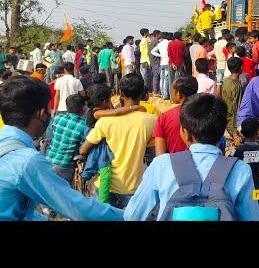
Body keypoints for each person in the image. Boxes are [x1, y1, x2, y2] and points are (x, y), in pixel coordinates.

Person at [0, 76, 122, 221]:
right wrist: (128, 215)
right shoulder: (28, 161)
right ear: (41, 114)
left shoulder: (7, 142)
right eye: (48, 109)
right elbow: (76, 208)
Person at [123, 93, 259, 221]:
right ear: (222, 132)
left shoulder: (161, 165)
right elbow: (251, 217)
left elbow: (132, 215)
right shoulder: (241, 169)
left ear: (184, 132)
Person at [80, 73, 157, 208]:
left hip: (104, 184)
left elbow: (84, 149)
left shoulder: (105, 121)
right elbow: (152, 146)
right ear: (143, 93)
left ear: (121, 94)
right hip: (133, 186)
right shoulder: (151, 121)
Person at [46, 94, 88, 184]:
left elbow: (49, 136)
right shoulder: (83, 126)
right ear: (83, 107)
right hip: (65, 166)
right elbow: (83, 149)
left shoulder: (58, 118)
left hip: (49, 160)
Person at [153, 76, 199, 156]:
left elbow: (159, 155)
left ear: (178, 94)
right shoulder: (205, 114)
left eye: (173, 90)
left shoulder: (164, 117)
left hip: (174, 166)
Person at [232, 117, 259, 192]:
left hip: (242, 189)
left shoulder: (238, 150)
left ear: (242, 133)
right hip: (257, 188)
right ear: (257, 133)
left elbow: (232, 167)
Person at [221, 57, 244, 147]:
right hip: (233, 127)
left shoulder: (226, 81)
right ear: (240, 68)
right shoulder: (236, 86)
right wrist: (235, 134)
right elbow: (234, 110)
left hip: (226, 123)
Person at [151, 32, 171, 101]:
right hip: (167, 62)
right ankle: (166, 94)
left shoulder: (159, 44)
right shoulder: (168, 43)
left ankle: (162, 93)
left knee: (162, 79)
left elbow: (152, 51)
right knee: (166, 79)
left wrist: (160, 55)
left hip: (161, 62)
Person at [148, 30, 161, 96]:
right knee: (156, 76)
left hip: (153, 61)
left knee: (155, 76)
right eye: (160, 34)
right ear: (157, 34)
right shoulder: (156, 42)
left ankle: (155, 90)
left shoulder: (152, 42)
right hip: (156, 61)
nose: (161, 35)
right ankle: (155, 91)